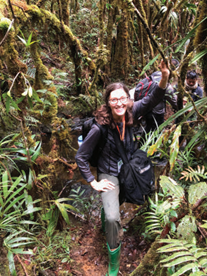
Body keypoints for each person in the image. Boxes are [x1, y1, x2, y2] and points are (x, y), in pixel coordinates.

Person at [75, 60, 169, 276]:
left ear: (128, 99)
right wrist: (93, 181)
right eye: (113, 100)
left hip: (129, 167)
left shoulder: (132, 111)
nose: (119, 103)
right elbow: (81, 156)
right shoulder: (99, 128)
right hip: (109, 172)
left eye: (122, 99)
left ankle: (107, 213)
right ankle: (114, 264)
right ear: (108, 103)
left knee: (116, 204)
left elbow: (154, 97)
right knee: (112, 218)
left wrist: (164, 76)